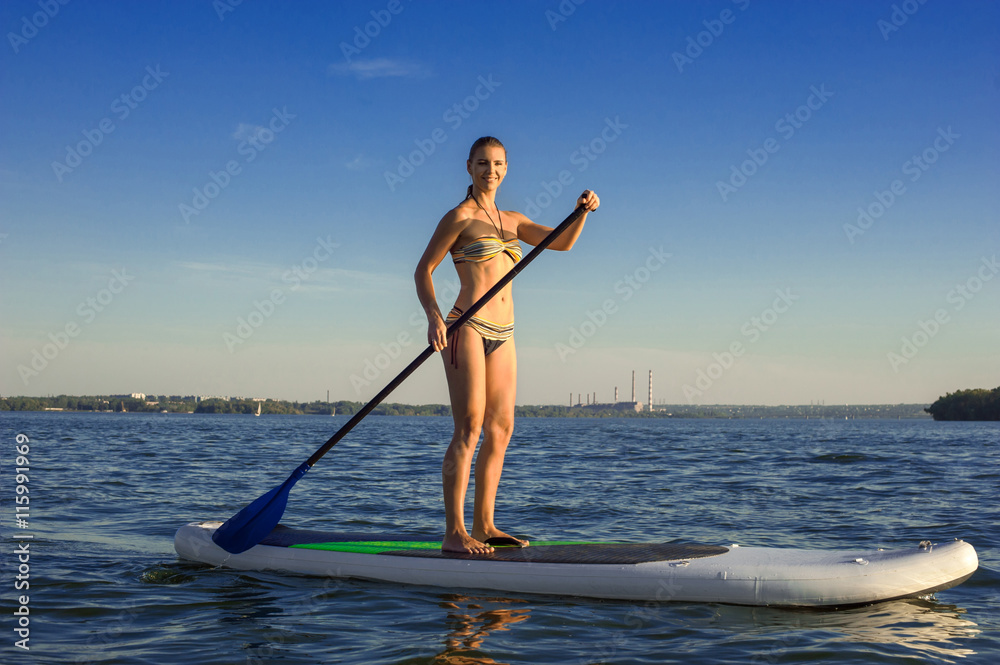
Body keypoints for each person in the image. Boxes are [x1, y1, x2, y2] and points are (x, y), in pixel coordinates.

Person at [414, 136, 599, 554]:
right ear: (468, 167)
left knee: (502, 428)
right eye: (482, 163)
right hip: (467, 326)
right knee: (470, 427)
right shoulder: (458, 216)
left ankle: (485, 526)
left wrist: (581, 211)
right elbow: (423, 270)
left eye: (497, 163)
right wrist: (432, 316)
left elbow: (562, 241)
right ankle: (454, 533)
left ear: (507, 168)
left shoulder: (513, 220)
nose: (490, 170)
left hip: (506, 330)